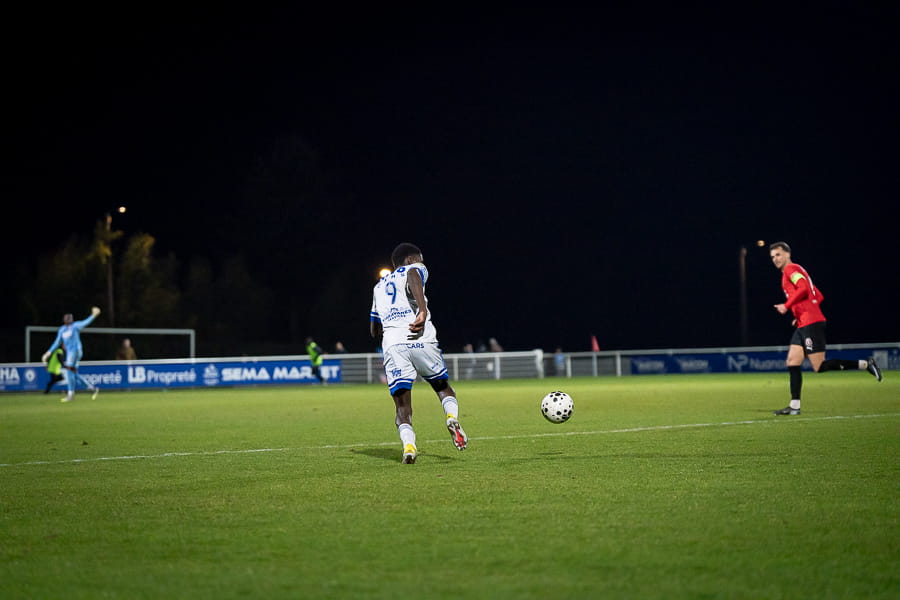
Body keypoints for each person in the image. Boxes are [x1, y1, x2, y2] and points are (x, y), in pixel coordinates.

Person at [370, 242, 467, 464]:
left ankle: (409, 447)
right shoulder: (415, 267)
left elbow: (374, 328)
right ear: (411, 259)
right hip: (419, 337)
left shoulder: (378, 286)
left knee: (402, 406)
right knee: (442, 387)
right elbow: (413, 275)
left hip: (394, 344)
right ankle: (451, 417)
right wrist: (421, 310)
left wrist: (388, 327)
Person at [768, 242, 882, 415]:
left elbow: (804, 288)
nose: (775, 259)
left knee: (819, 366)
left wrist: (787, 305)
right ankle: (794, 406)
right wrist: (800, 313)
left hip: (811, 323)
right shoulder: (794, 271)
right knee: (792, 361)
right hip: (804, 322)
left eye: (778, 254)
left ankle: (865, 364)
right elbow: (818, 295)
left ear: (787, 254)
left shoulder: (791, 269)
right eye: (772, 257)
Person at [42, 306, 102, 403]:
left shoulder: (75, 326)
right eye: (67, 318)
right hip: (70, 353)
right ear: (64, 319)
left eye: (70, 318)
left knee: (68, 370)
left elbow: (85, 322)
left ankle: (71, 395)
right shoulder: (62, 330)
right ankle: (92, 388)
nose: (68, 319)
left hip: (76, 351)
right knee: (72, 373)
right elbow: (57, 342)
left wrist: (93, 316)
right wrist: (48, 352)